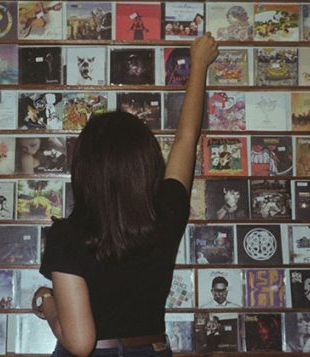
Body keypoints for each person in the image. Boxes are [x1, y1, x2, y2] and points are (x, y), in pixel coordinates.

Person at [33, 34, 218, 357]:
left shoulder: (67, 235)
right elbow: (187, 138)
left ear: (85, 171)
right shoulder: (166, 212)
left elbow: (79, 342)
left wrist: (46, 302)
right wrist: (199, 64)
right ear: (145, 162)